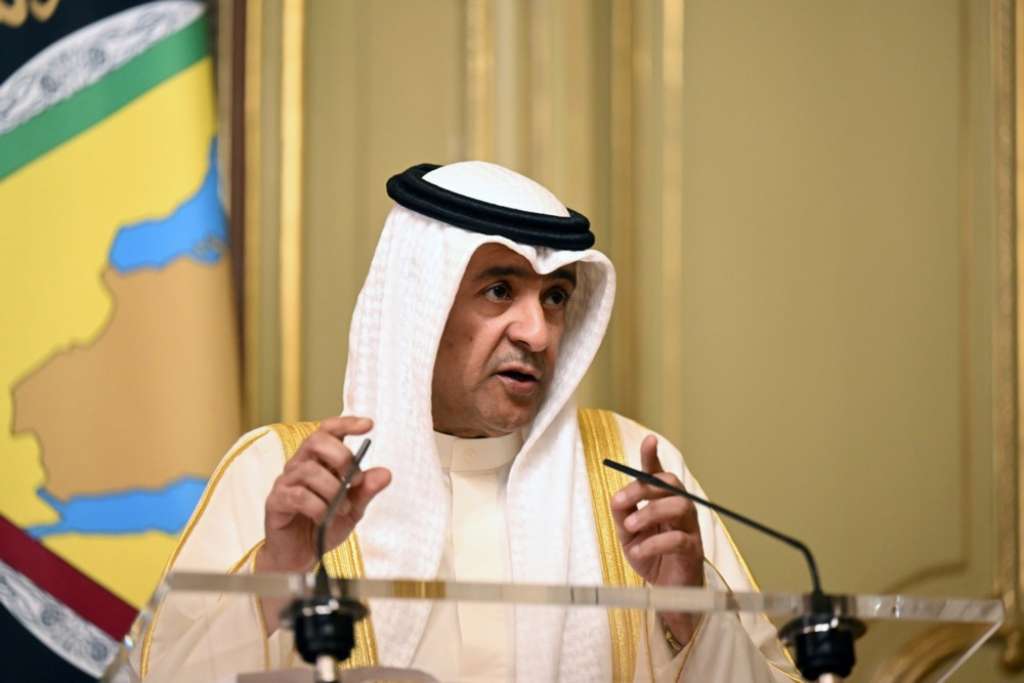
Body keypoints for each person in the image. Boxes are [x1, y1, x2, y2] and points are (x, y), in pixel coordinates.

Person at [136, 161, 800, 682]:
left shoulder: (634, 471)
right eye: (499, 290)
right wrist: (279, 568)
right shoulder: (281, 474)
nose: (537, 332)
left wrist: (689, 607)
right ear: (420, 307)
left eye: (556, 297)